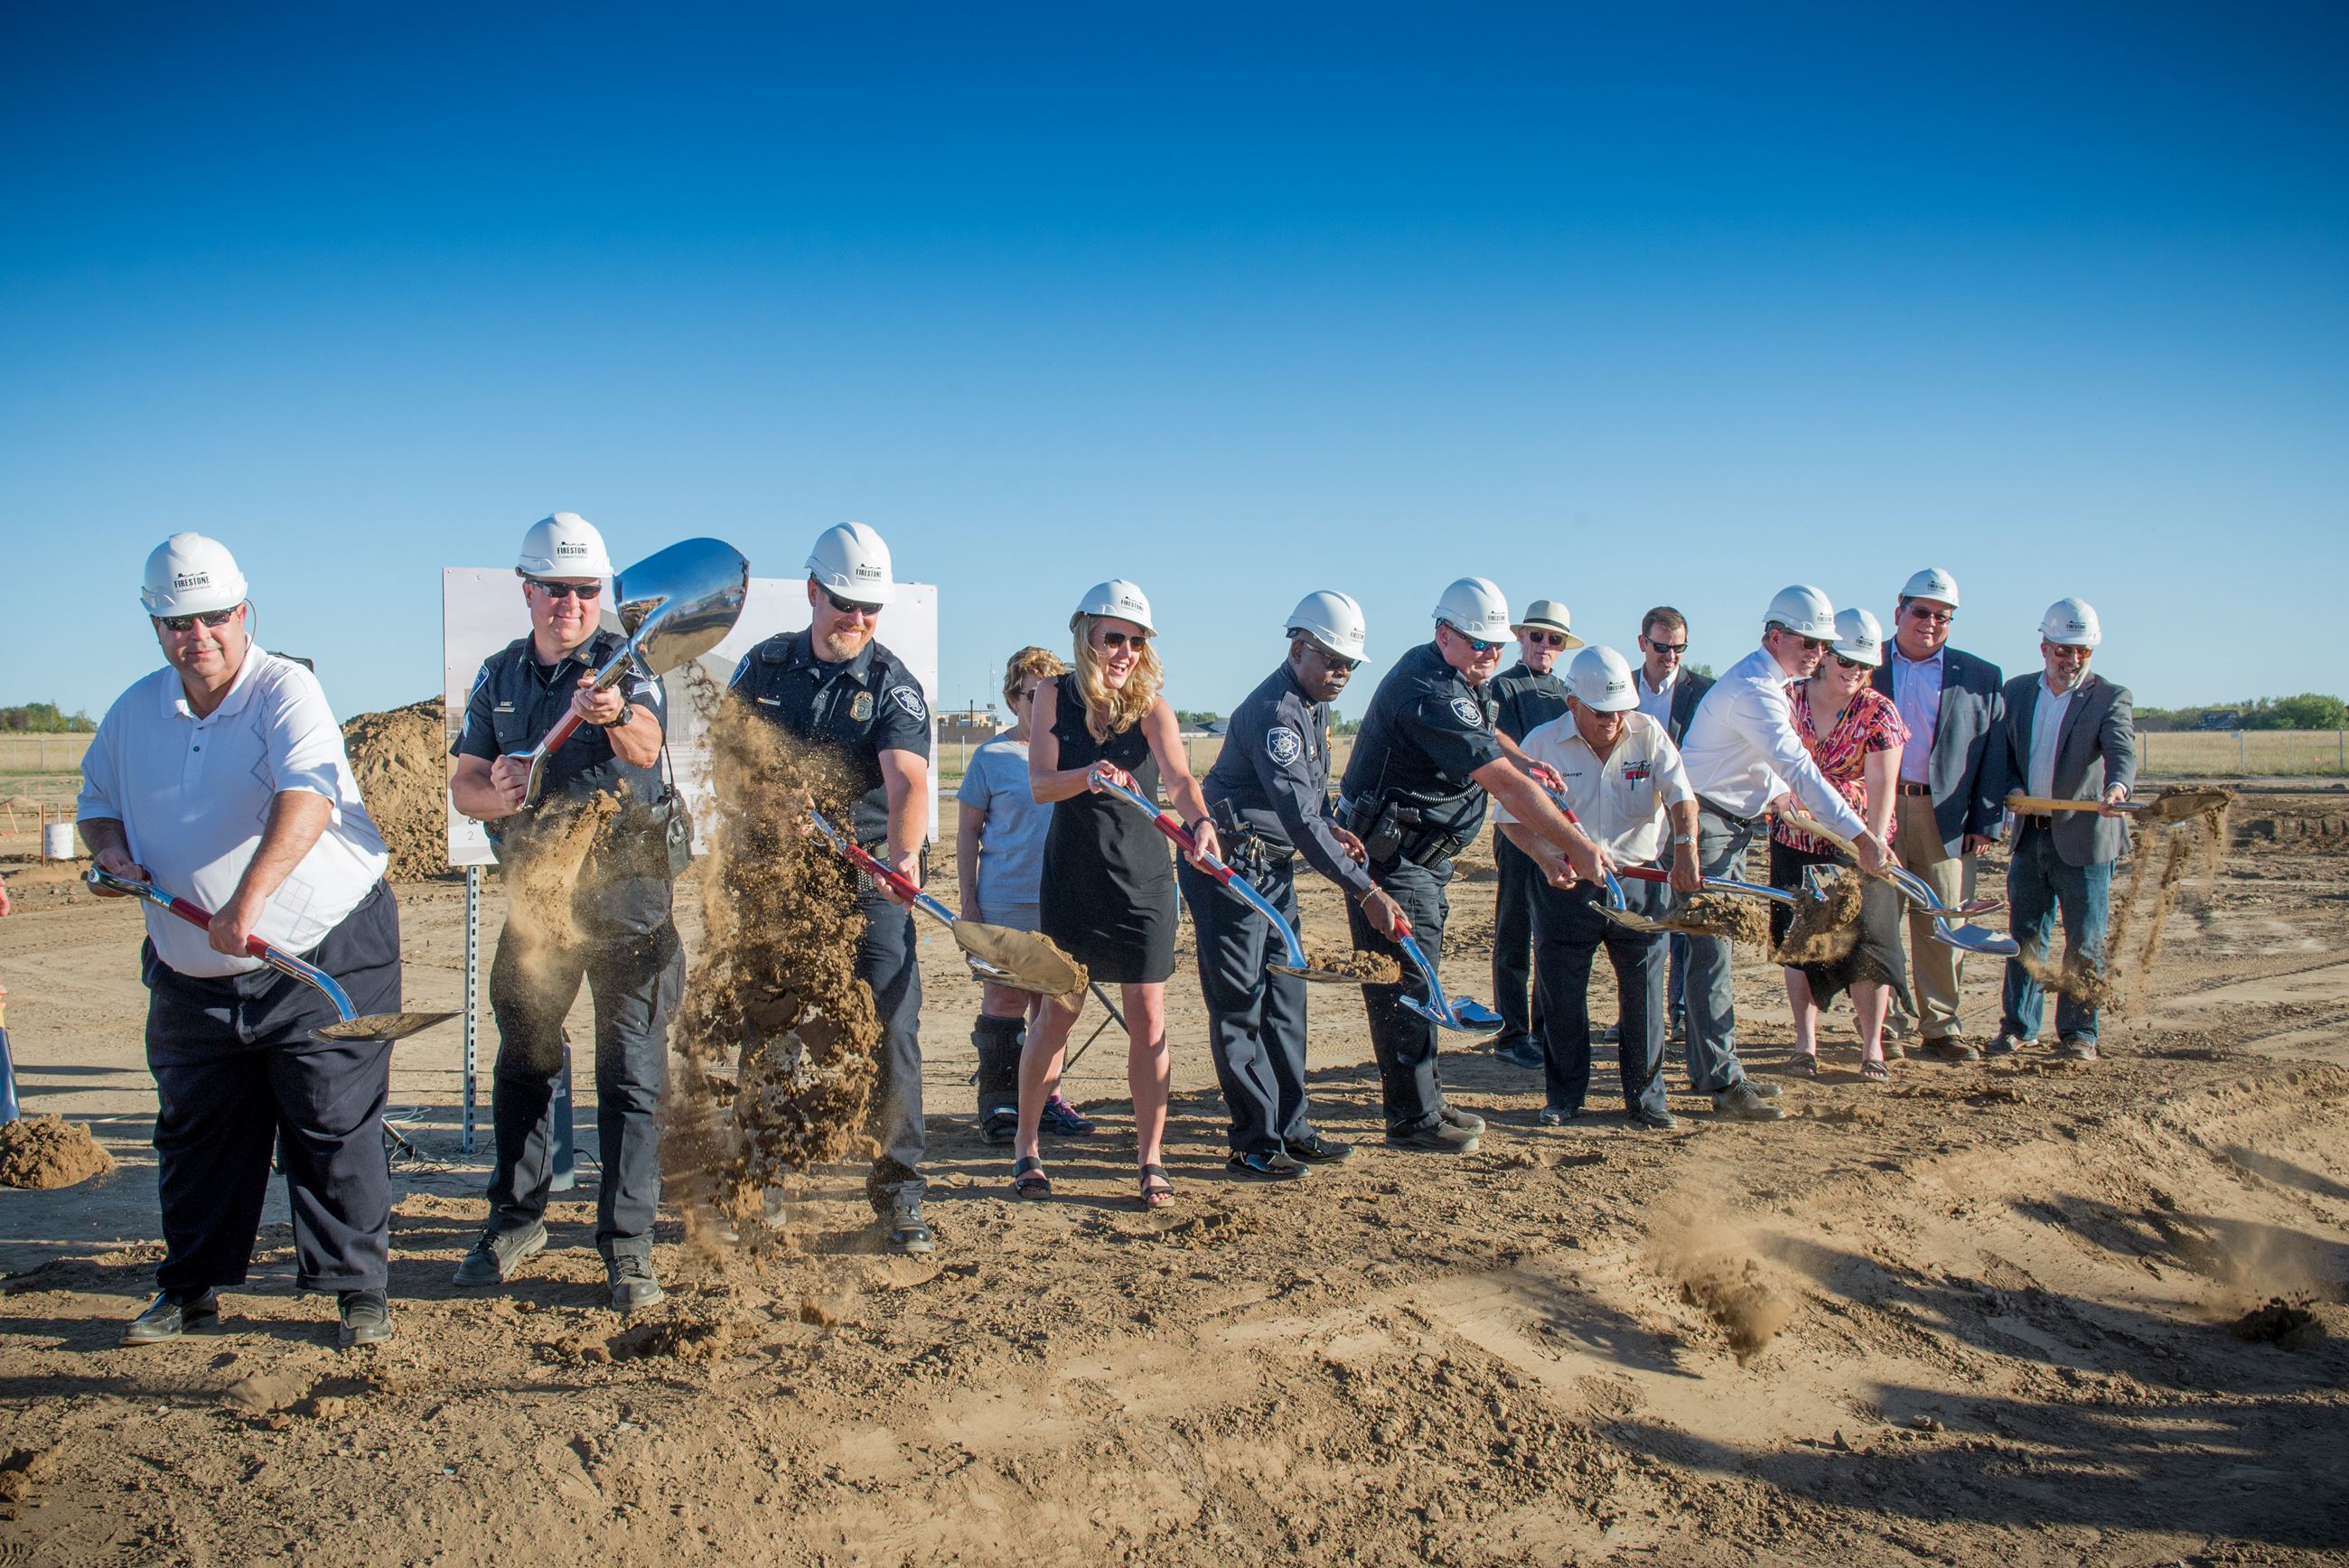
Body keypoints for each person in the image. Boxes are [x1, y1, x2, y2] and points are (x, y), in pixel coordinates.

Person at [79, 533, 401, 1349]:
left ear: (244, 612)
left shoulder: (285, 691)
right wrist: (109, 849)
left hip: (318, 954)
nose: (201, 637)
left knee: (330, 1118)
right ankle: (189, 1291)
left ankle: (357, 1292)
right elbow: (96, 801)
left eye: (216, 617)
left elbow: (308, 797)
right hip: (191, 972)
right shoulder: (132, 711)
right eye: (180, 622)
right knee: (196, 1130)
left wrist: (247, 900)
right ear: (156, 626)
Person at [447, 513, 683, 1312]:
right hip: (537, 908)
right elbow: (465, 781)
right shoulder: (499, 676)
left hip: (628, 905)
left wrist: (611, 712)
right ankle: (515, 1220)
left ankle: (628, 1247)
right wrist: (497, 792)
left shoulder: (626, 666)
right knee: (526, 1064)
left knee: (630, 1077)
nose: (570, 604)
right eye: (556, 589)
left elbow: (648, 746)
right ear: (528, 590)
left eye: (586, 590)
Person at [1337, 577, 1608, 1153]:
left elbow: (1487, 736)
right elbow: (1502, 786)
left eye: (1497, 645)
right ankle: (1412, 1119)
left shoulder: (1457, 677)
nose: (1490, 654)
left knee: (1421, 979)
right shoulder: (1428, 688)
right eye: (1478, 642)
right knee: (1406, 986)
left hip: (1421, 858)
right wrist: (1575, 843)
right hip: (1394, 860)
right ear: (1443, 634)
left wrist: (1525, 758)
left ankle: (1425, 1101)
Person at [732, 522, 936, 1253]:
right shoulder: (763, 665)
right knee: (771, 1024)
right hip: (780, 880)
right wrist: (763, 801)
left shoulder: (892, 685)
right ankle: (764, 1178)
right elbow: (729, 764)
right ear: (814, 591)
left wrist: (905, 856)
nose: (857, 620)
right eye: (845, 603)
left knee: (892, 1026)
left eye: (870, 609)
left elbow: (907, 779)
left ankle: (899, 1190)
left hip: (869, 875)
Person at [1181, 592, 1408, 1179]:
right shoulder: (1276, 713)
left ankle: (1292, 1126)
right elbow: (1299, 818)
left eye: (1350, 665)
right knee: (1241, 1004)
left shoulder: (1313, 705)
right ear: (1298, 647)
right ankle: (1253, 1139)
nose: (1342, 674)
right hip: (1228, 869)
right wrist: (1366, 889)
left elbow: (1311, 799)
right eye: (1332, 660)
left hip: (1271, 867)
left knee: (1285, 998)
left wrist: (1335, 826)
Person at [1014, 581, 1221, 1208]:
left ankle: (1150, 1158)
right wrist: (1089, 774)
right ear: (1085, 636)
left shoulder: (1153, 708)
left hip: (1144, 882)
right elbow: (1041, 786)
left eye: (1136, 641)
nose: (1125, 651)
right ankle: (1027, 1147)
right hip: (1075, 879)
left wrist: (1202, 824)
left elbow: (1182, 781)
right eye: (1114, 638)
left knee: (1149, 1018)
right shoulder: (1053, 694)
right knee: (1058, 1014)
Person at [1678, 585, 1894, 1121]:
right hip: (1705, 825)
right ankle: (1723, 1084)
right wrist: (1864, 837)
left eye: (1823, 644)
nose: (1818, 653)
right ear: (1774, 635)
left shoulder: (1768, 683)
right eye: (1808, 641)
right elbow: (1800, 767)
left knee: (1712, 952)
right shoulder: (1756, 690)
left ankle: (1716, 1070)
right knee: (1711, 955)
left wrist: (1772, 793)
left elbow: (1764, 761)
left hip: (1726, 822)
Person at [1496, 646, 1699, 1130]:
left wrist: (1687, 848)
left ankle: (1646, 1101)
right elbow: (1510, 817)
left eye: (1621, 711)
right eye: (1602, 713)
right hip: (1566, 885)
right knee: (1562, 996)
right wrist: (1546, 857)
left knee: (1645, 994)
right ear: (1574, 705)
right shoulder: (1542, 744)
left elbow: (1681, 797)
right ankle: (1564, 1098)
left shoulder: (1650, 734)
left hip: (1640, 881)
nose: (1614, 721)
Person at [958, 646, 1092, 1144]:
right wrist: (969, 901)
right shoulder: (991, 757)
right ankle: (998, 1104)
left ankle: (1047, 1100)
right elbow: (968, 833)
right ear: (1014, 699)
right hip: (1005, 899)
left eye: (1055, 692)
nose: (1044, 703)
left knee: (1056, 1003)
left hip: (1062, 896)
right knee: (1005, 999)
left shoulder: (1072, 755)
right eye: (1034, 694)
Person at [1771, 609, 1914, 1082]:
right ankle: (1804, 1042)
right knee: (1801, 941)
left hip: (1854, 844)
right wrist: (1781, 796)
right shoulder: (1787, 699)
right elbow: (1766, 760)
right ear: (1826, 655)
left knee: (1869, 942)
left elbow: (1881, 789)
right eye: (1846, 660)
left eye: (1864, 665)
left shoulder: (1879, 712)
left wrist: (1869, 844)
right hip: (1795, 837)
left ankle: (1871, 1046)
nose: (1853, 672)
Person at [1991, 598, 2135, 1062]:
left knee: (2085, 939)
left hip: (2087, 838)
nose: (2071, 660)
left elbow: (2121, 751)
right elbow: (2005, 757)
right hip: (2031, 833)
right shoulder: (2016, 693)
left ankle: (2079, 1034)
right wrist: (2011, 789)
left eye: (2082, 652)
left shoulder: (2109, 697)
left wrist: (2117, 787)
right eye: (2063, 650)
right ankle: (2018, 1027)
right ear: (2044, 647)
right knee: (2025, 934)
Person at [1872, 568, 2006, 1063]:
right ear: (1899, 611)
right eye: (1921, 612)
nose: (1931, 623)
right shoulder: (1865, 664)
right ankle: (1883, 1024)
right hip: (1873, 814)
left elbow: (1993, 756)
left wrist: (1984, 823)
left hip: (1944, 815)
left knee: (1943, 920)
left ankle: (1941, 1026)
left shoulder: (1979, 677)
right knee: (1876, 918)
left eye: (1942, 616)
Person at [1484, 600, 1580, 1071]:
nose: (1545, 645)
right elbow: (1491, 737)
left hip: (1560, 822)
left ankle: (1544, 1028)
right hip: (1517, 818)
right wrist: (1525, 766)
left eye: (1554, 639)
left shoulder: (1568, 693)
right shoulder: (1502, 686)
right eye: (1537, 636)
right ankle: (1511, 1033)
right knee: (1515, 927)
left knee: (1553, 928)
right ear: (1521, 638)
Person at [1633, 606, 1713, 1043]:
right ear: (1643, 642)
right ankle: (1642, 1015)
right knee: (1644, 920)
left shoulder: (1704, 692)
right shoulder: (1620, 688)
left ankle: (1679, 1012)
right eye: (1663, 646)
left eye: (1679, 648)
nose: (1671, 656)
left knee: (1685, 917)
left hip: (1682, 814)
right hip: (1636, 822)